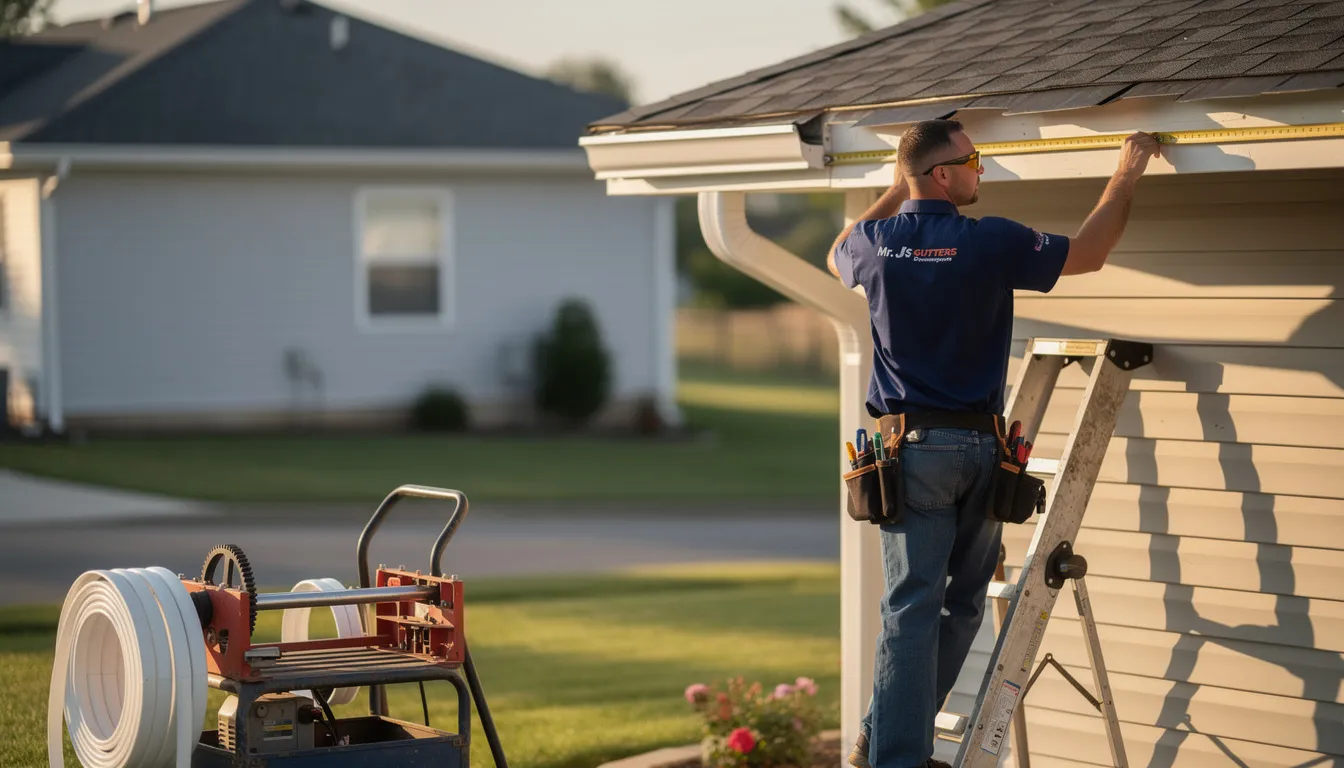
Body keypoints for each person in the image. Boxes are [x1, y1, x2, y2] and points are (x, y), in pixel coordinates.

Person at [826, 119, 1161, 768]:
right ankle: (894, 747)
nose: (983, 167)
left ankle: (890, 739)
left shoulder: (875, 244)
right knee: (962, 602)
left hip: (909, 454)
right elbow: (1090, 252)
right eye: (973, 159)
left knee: (910, 609)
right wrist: (1129, 168)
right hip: (981, 453)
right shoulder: (991, 242)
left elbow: (839, 247)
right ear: (944, 175)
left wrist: (902, 186)